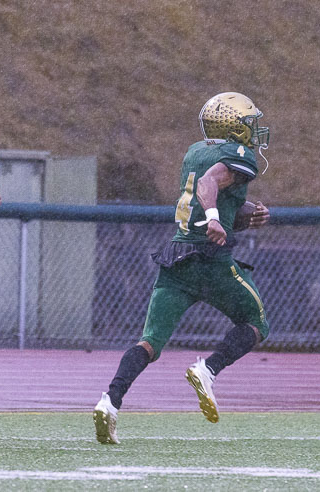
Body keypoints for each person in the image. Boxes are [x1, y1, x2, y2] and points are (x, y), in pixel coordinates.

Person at [93, 92, 272, 444]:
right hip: (212, 260)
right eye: (248, 124)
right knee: (257, 323)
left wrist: (243, 214)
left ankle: (109, 402)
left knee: (149, 343)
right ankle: (207, 369)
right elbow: (209, 185)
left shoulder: (195, 150)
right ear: (233, 127)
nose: (254, 131)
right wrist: (216, 219)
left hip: (175, 260)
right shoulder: (239, 155)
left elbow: (208, 191)